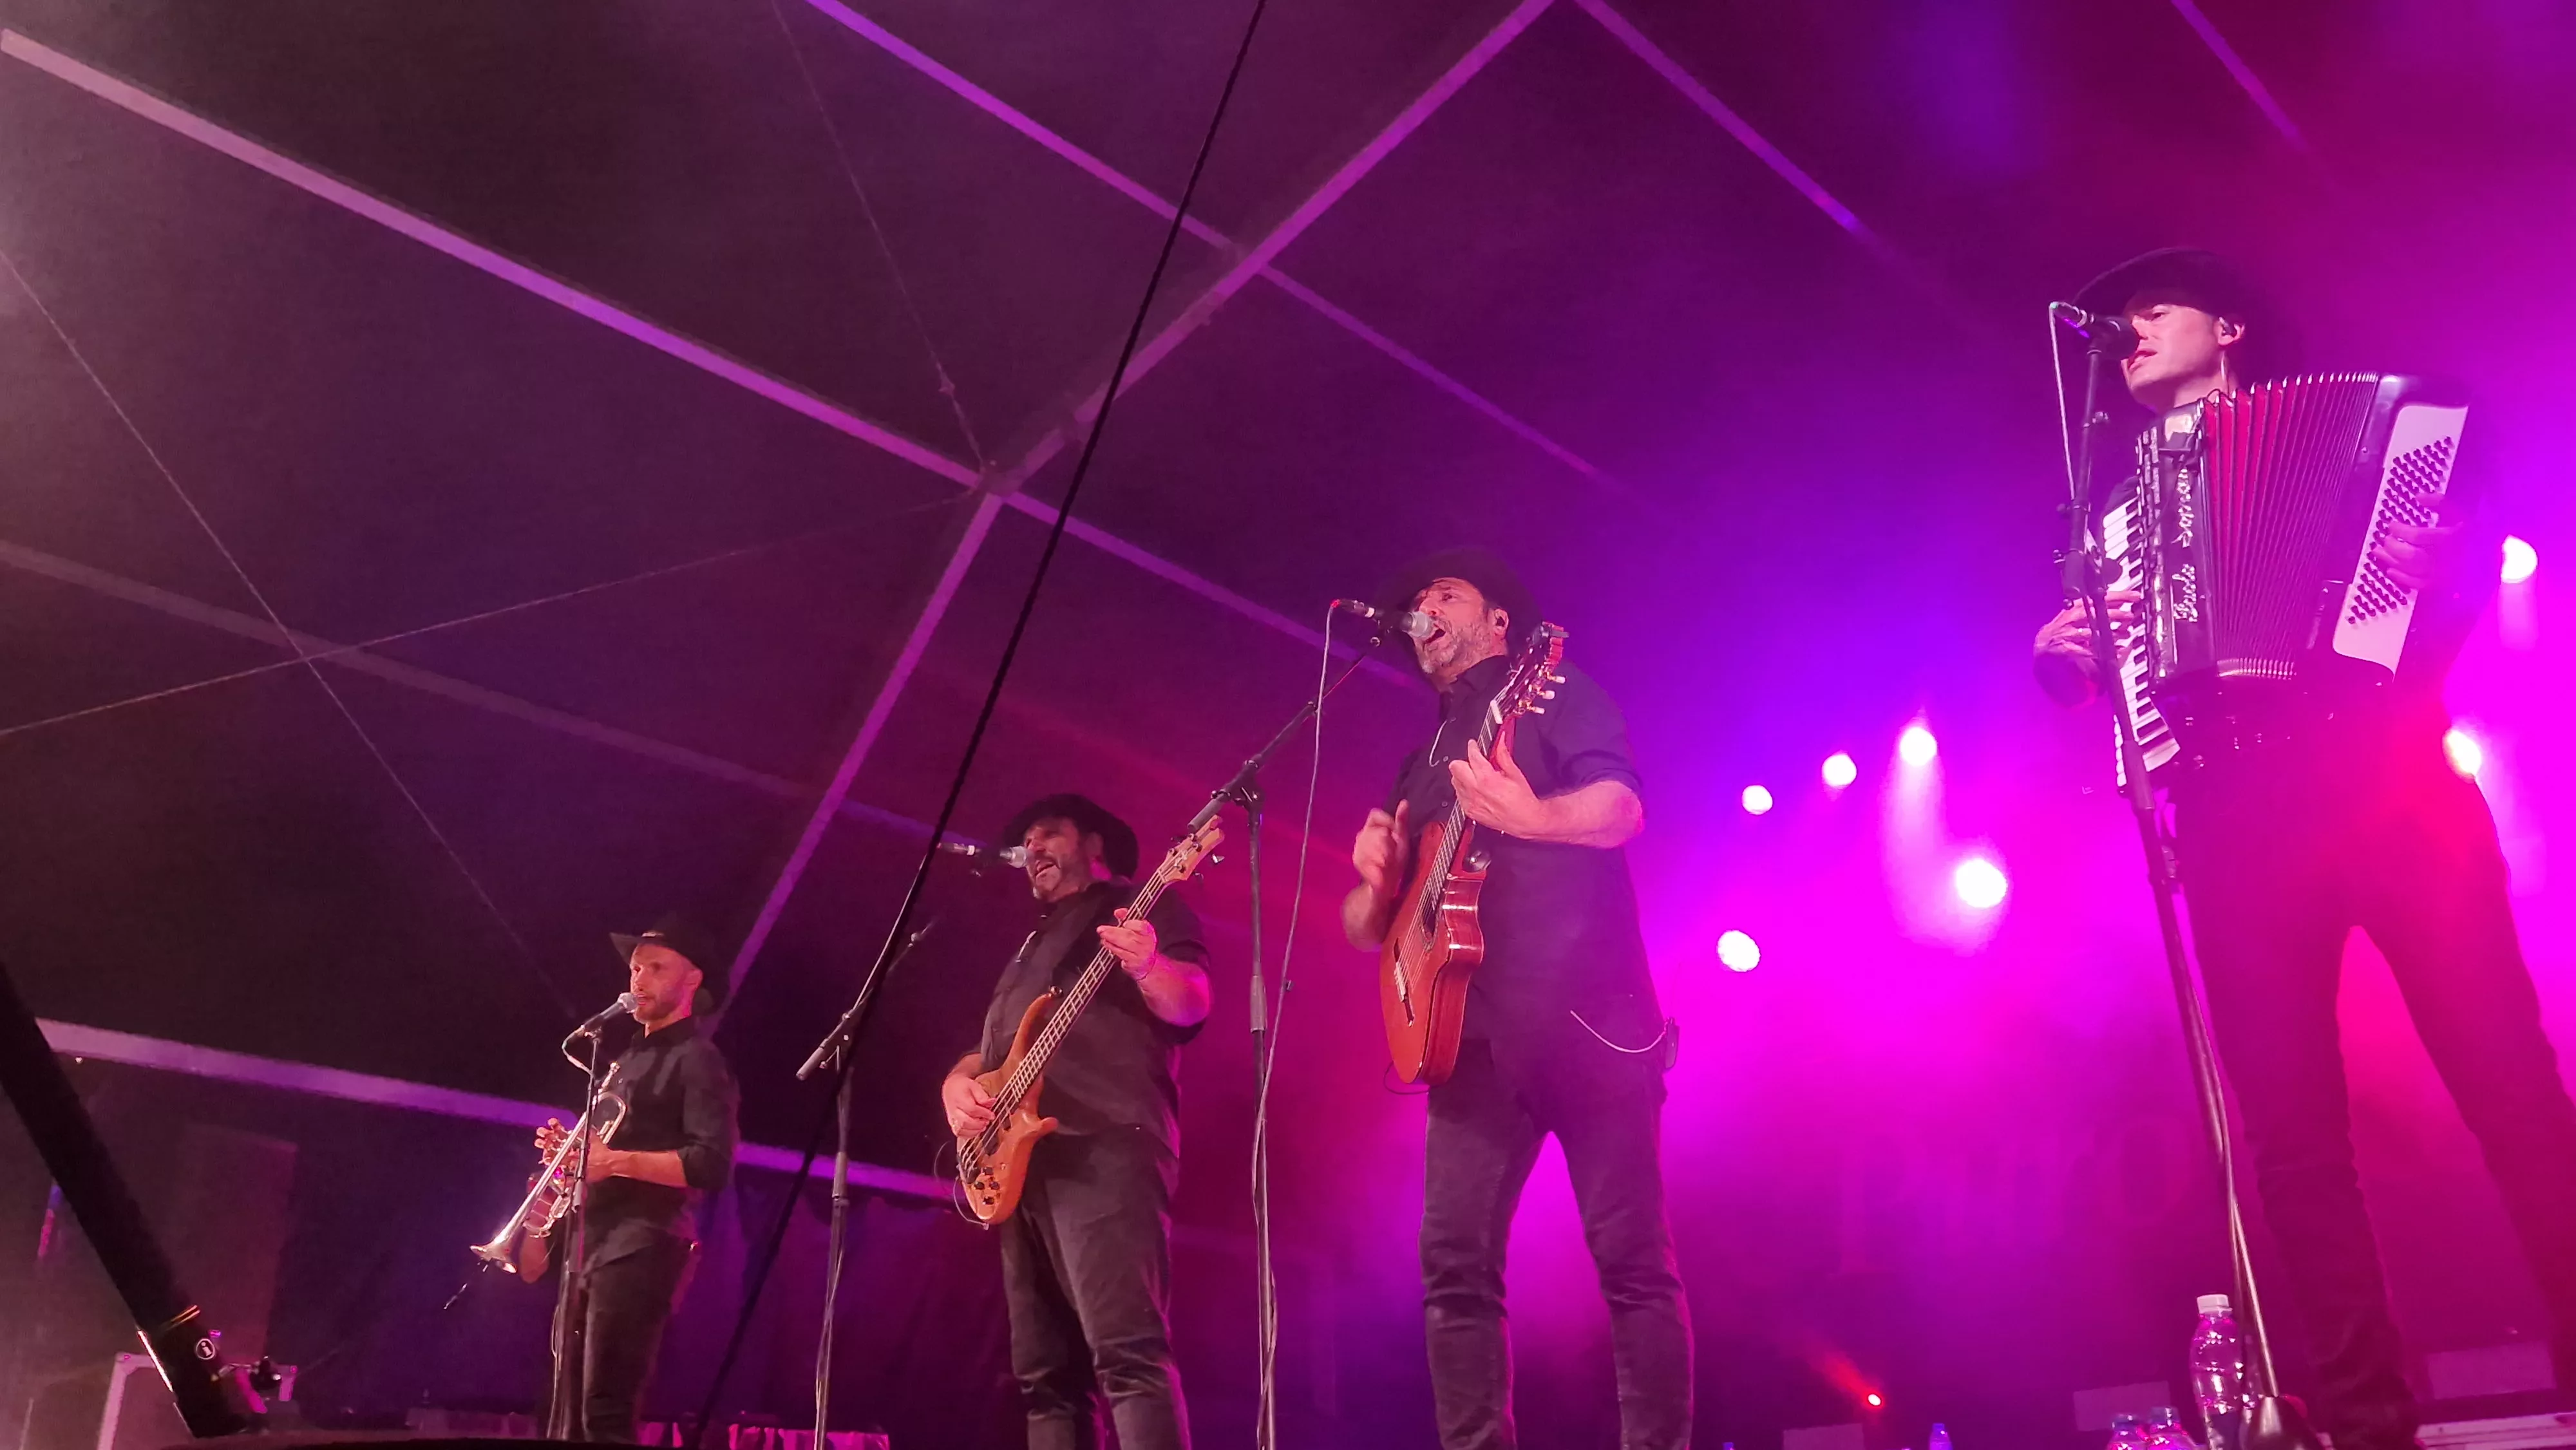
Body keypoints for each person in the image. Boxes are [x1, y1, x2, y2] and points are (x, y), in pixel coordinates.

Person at [2032, 249, 2576, 1450]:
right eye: (2119, 315)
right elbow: (2102, 687)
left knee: (2511, 1085)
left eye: (2154, 306)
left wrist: (2451, 570)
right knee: (2291, 1140)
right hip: (2233, 818)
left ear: (2229, 329)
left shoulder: (2371, 429)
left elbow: (2455, 581)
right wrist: (2063, 650)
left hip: (2387, 783)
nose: (2131, 327)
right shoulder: (2111, 508)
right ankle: (2369, 1424)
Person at [1342, 549, 1691, 1449]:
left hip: (1589, 1021)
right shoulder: (1418, 760)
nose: (1424, 605)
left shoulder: (1552, 689)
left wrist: (1530, 816)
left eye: (1445, 593)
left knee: (1631, 1263)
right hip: (1471, 1042)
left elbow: (1622, 809)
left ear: (1500, 624)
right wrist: (1373, 884)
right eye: (1417, 598)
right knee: (1454, 1269)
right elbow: (1364, 929)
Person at [942, 794, 1213, 1450]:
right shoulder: (1033, 944)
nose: (1032, 847)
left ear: (1094, 845)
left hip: (1105, 1144)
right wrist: (955, 1084)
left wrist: (1148, 964)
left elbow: (1192, 1003)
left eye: (1049, 833)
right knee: (1046, 1378)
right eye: (1027, 838)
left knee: (1127, 1352)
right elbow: (997, 1053)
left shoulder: (1145, 907)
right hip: (1022, 1161)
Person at [519, 918, 739, 1443]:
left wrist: (613, 1161)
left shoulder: (699, 1060)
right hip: (592, 1243)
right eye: (636, 968)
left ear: (691, 981)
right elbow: (605, 1149)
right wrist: (571, 1152)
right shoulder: (623, 1061)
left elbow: (713, 1163)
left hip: (644, 1243)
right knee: (562, 1409)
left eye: (655, 968)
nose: (638, 979)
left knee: (605, 1411)